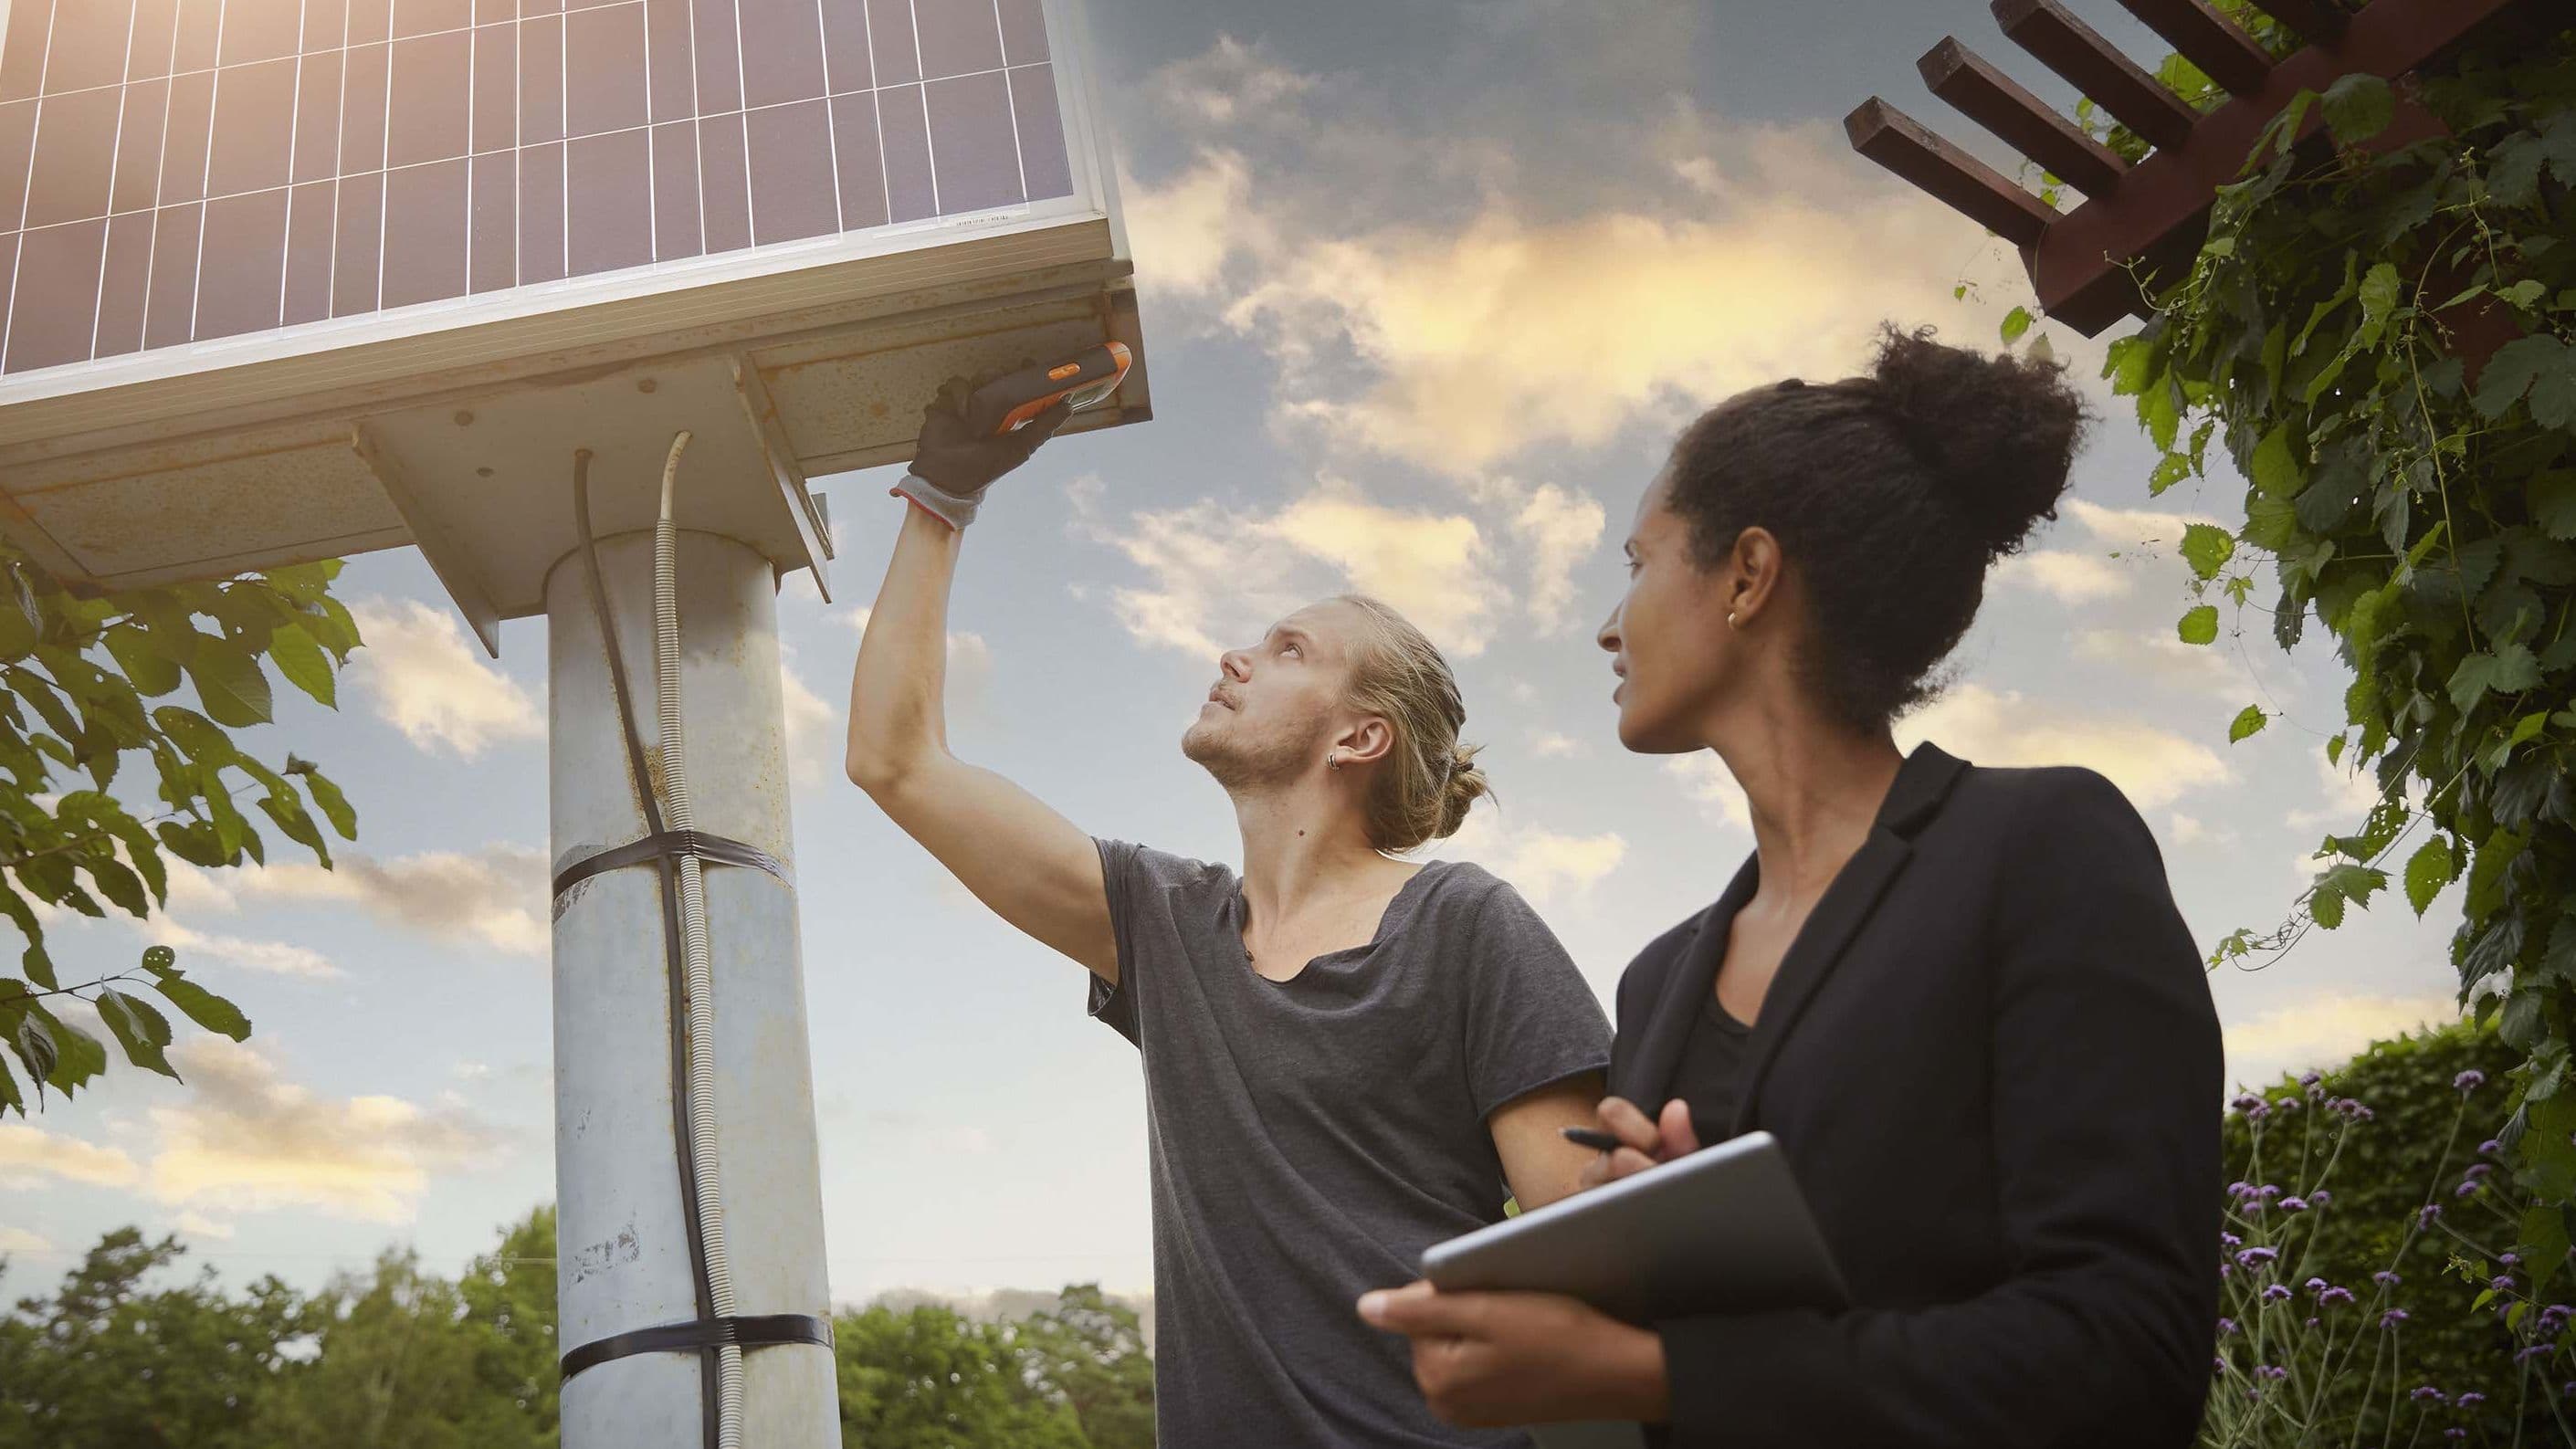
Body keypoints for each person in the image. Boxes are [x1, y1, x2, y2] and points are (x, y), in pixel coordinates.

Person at [1360, 325, 2224, 1446]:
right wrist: (1663, 1275)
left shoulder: (2039, 848)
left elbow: (2127, 1352)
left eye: (1637, 562)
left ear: (1748, 575)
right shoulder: (1658, 982)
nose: (1608, 625)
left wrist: (1653, 1370)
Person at [844, 377, 1616, 1448]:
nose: (1235, 657)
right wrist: (940, 498)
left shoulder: (1466, 924)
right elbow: (895, 762)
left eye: (1289, 650)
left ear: (1359, 737)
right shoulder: (1160, 925)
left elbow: (1589, 1258)